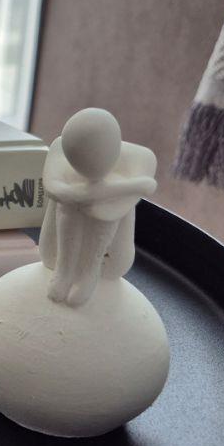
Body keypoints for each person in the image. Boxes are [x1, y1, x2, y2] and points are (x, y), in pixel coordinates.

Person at [39, 108, 157, 307]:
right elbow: (55, 188)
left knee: (105, 209)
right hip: (67, 217)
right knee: (68, 207)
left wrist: (92, 196)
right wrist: (90, 193)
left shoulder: (140, 158)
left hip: (111, 248)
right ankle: (64, 269)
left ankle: (91, 271)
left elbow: (127, 200)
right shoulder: (60, 148)